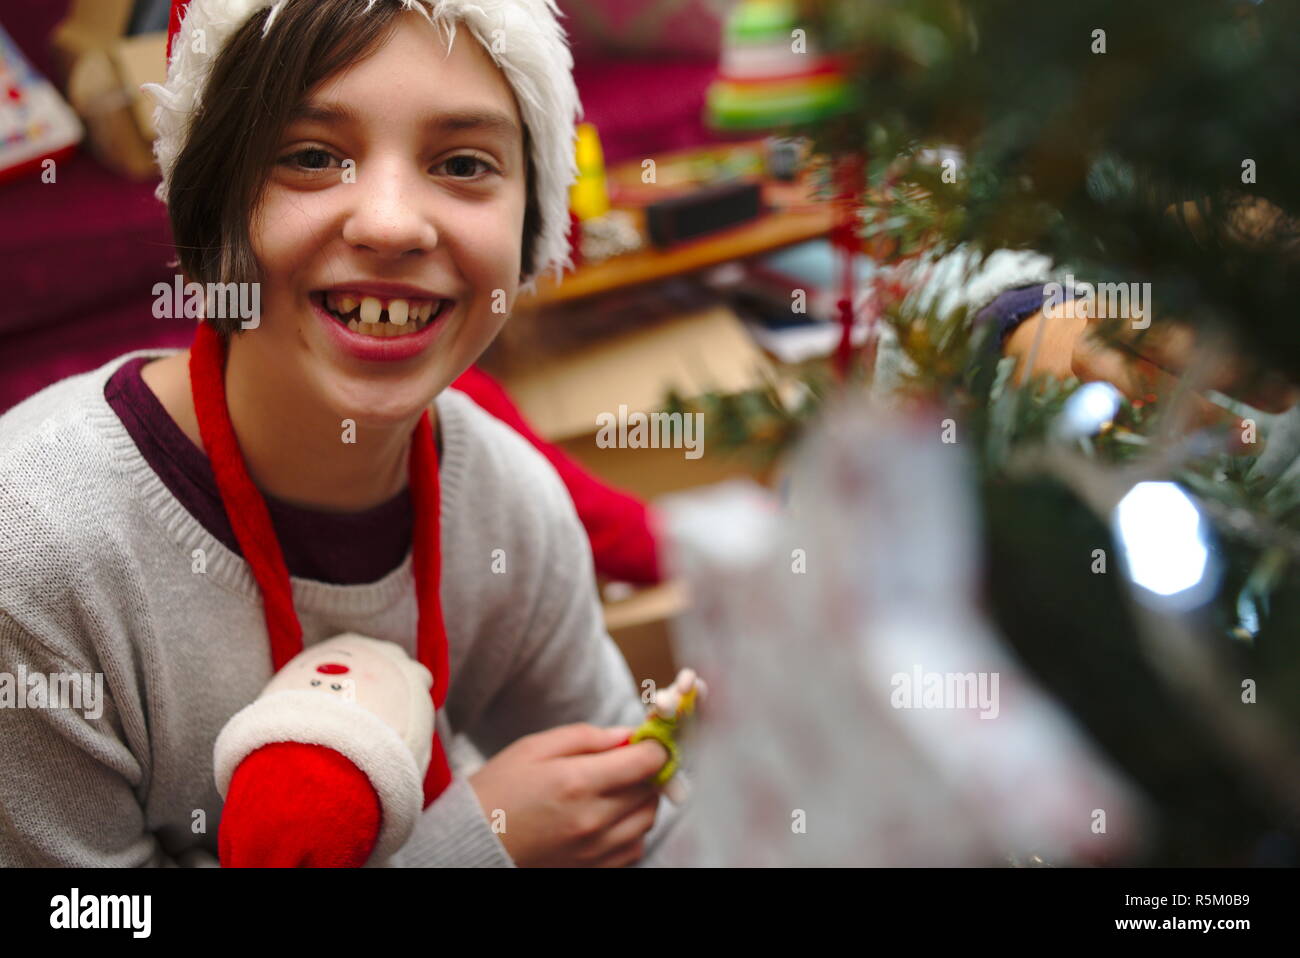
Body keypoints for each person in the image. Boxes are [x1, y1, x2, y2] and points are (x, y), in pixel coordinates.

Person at [0, 0, 678, 867]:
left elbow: (639, 814)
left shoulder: (509, 500)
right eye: (313, 157)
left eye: (464, 163)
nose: (391, 224)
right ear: (208, 205)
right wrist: (470, 849)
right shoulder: (38, 553)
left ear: (531, 227)